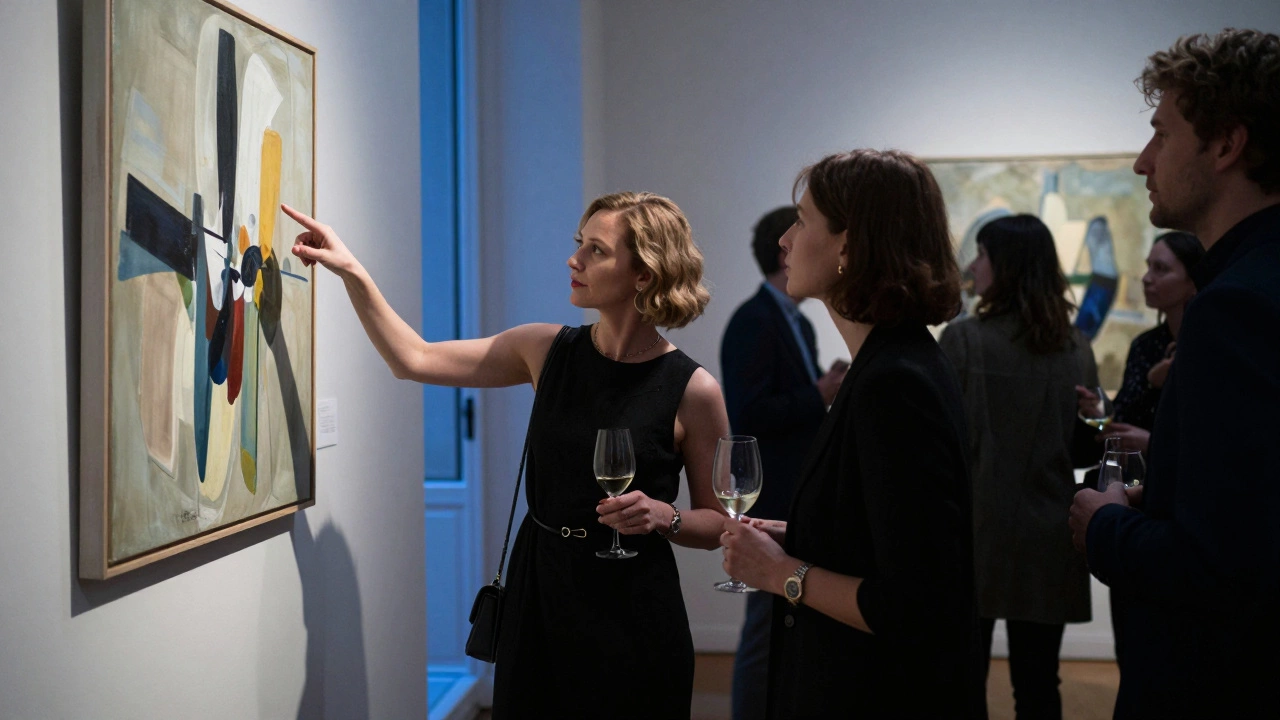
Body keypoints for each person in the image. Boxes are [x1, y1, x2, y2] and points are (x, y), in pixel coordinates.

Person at [282, 192, 732, 719]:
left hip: (632, 606)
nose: (575, 260)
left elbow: (719, 524)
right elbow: (414, 358)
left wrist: (664, 515)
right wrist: (352, 270)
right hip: (540, 589)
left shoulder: (694, 390)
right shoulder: (544, 350)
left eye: (596, 250)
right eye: (577, 244)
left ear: (644, 274)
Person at [721, 149, 986, 719]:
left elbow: (915, 603)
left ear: (848, 243)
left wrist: (779, 572)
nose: (786, 241)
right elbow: (886, 540)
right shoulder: (890, 362)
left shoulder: (894, 382)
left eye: (803, 220)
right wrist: (800, 534)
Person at [1069, 28, 1280, 719]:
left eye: (1162, 134)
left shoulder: (1236, 307)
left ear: (1226, 145)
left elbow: (1220, 566)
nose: (1141, 161)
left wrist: (1101, 524)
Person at [939, 214, 1098, 720]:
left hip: (974, 531)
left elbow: (940, 446)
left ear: (1005, 265)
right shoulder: (1075, 347)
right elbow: (1083, 453)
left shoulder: (963, 340)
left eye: (982, 254)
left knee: (961, 680)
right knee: (1037, 684)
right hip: (1048, 533)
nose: (972, 266)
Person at [719, 206, 846, 720]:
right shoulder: (753, 321)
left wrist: (820, 389)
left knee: (781, 628)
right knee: (763, 631)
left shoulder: (793, 320)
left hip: (793, 492)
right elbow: (748, 413)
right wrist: (819, 392)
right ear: (784, 249)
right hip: (769, 492)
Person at [1075, 231, 1204, 455]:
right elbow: (1125, 421)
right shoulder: (1145, 345)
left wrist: (1154, 444)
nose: (1146, 278)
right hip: (1134, 479)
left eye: (1161, 269)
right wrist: (1100, 413)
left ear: (1193, 281)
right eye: (1149, 266)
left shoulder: (1209, 345)